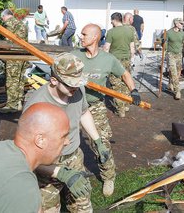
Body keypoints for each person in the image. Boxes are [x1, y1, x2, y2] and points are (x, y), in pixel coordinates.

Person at [24, 52, 108, 213]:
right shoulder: (37, 107)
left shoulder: (76, 89)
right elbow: (28, 155)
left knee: (82, 206)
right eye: (70, 84)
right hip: (47, 166)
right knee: (48, 209)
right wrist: (60, 173)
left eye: (78, 83)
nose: (75, 87)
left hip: (74, 157)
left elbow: (83, 112)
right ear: (54, 80)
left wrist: (98, 141)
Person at [74, 23, 141, 197]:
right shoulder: (74, 56)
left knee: (101, 144)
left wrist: (134, 90)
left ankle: (108, 176)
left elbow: (125, 74)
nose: (81, 37)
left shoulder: (107, 59)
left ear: (95, 37)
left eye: (84, 34)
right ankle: (71, 175)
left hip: (95, 106)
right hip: (73, 104)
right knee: (66, 143)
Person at [103, 12, 136, 117]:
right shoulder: (130, 31)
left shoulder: (111, 32)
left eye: (111, 21)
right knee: (126, 82)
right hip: (126, 60)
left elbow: (106, 48)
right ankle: (126, 105)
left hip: (115, 61)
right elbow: (132, 48)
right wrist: (131, 59)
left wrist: (104, 60)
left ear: (113, 20)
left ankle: (120, 110)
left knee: (116, 84)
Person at [0, 8, 29, 113]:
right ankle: (19, 102)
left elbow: (5, 42)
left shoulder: (8, 24)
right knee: (20, 79)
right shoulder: (22, 24)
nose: (2, 20)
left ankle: (11, 106)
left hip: (13, 56)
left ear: (4, 16)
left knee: (12, 81)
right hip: (23, 56)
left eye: (2, 18)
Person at [164, 18, 184, 100]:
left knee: (178, 71)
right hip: (170, 54)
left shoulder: (182, 33)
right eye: (181, 23)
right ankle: (177, 91)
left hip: (179, 55)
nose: (183, 25)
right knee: (174, 72)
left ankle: (170, 83)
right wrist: (163, 44)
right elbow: (165, 42)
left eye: (183, 24)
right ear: (176, 24)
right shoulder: (169, 33)